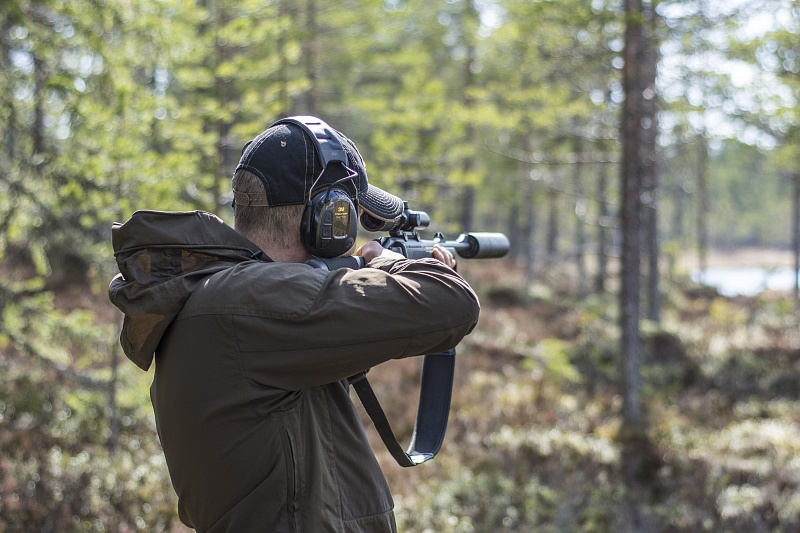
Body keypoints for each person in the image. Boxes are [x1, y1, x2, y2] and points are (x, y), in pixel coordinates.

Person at [108, 116, 480, 533]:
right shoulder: (245, 303)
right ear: (328, 219)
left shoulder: (227, 302)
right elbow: (453, 304)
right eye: (351, 215)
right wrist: (388, 262)